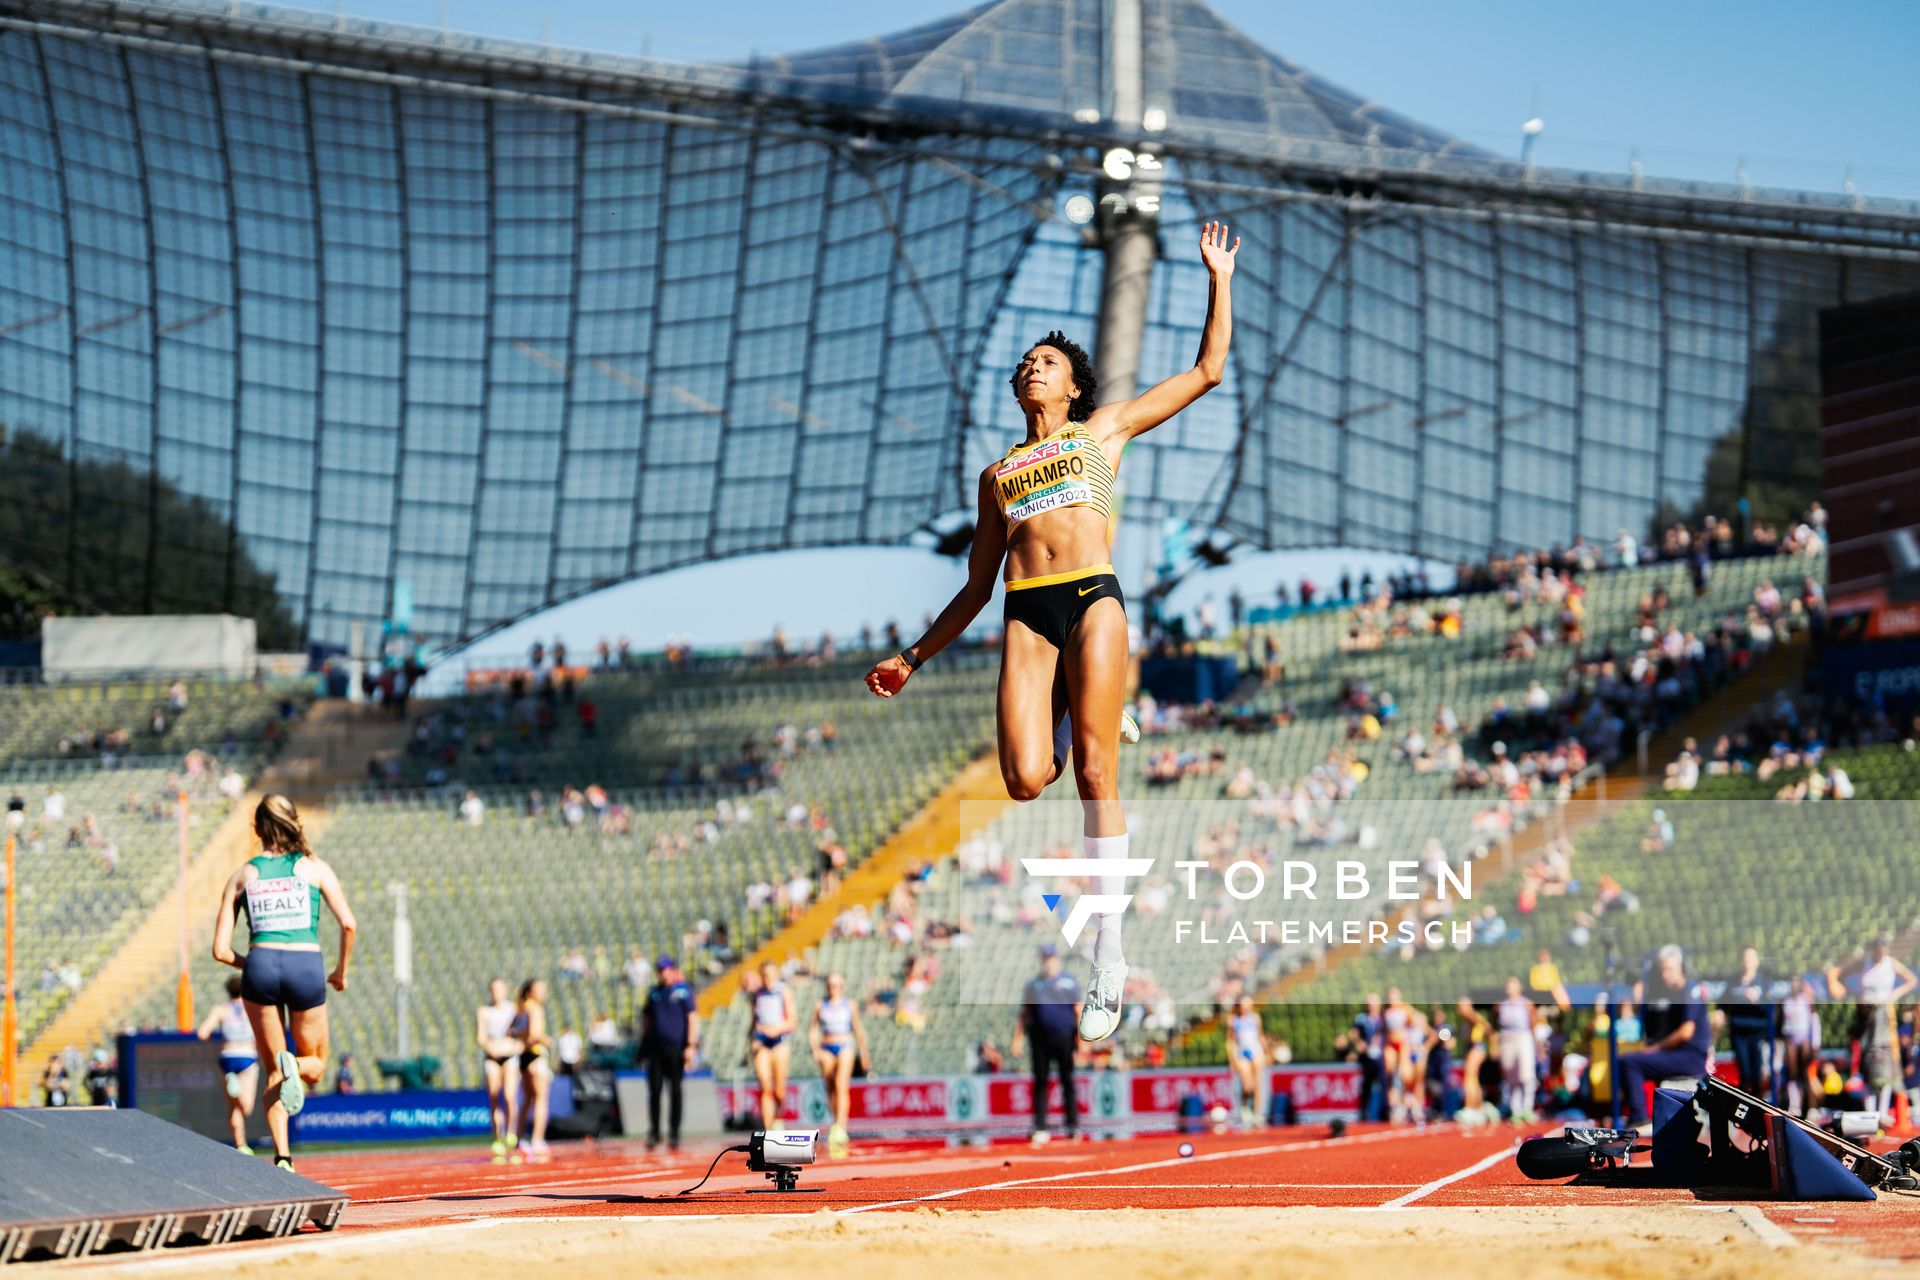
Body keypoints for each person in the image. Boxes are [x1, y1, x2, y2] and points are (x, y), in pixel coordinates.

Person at [867, 221, 1240, 1042]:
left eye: (1050, 362)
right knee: (1026, 778)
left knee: (1096, 776)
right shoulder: (997, 476)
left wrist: (1218, 276)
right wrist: (913, 658)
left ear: (1074, 389)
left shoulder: (1101, 430)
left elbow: (1209, 371)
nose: (1034, 366)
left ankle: (1108, 948)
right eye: (1028, 362)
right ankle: (1078, 707)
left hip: (1093, 597)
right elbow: (974, 586)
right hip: (1028, 612)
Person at [210, 794, 356, 1173]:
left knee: (273, 1069)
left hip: (259, 965)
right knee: (317, 1066)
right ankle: (297, 1062)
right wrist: (341, 970)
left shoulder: (242, 875)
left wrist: (254, 963)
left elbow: (221, 951)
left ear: (256, 829)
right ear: (295, 823)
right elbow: (348, 924)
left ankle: (283, 1158)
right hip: (305, 963)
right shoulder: (314, 868)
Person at [1618, 945, 1712, 1125]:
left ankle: (1639, 1118)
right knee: (1631, 1059)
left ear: (1680, 968)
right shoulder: (1670, 993)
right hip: (1679, 1053)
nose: (1664, 975)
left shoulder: (1690, 990)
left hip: (1690, 1056)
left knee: (1630, 1063)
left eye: (1668, 970)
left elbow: (1686, 1033)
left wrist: (1656, 1048)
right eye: (1662, 970)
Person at [1827, 936, 1918, 1117]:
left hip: (1883, 1016)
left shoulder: (1891, 964)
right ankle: (1869, 1110)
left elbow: (1911, 980)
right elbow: (1838, 973)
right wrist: (1849, 991)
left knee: (1883, 1059)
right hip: (1865, 1014)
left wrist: (1894, 994)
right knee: (1866, 1058)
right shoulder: (1864, 962)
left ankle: (1882, 1111)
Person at [1012, 944, 1082, 1145]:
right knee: (1041, 1082)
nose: (1048, 963)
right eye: (1045, 959)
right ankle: (1040, 1126)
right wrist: (1017, 1039)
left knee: (1067, 1081)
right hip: (1039, 1039)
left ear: (1057, 960)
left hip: (1064, 1038)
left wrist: (1082, 1041)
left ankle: (1072, 1125)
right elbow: (1024, 1013)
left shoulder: (1069, 982)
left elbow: (1078, 1011)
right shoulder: (1034, 985)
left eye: (1050, 958)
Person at [809, 971, 871, 1159]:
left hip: (845, 1045)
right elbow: (813, 1029)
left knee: (841, 1084)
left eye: (836, 985)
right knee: (831, 1087)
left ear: (842, 987)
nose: (832, 988)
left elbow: (858, 1029)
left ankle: (841, 1126)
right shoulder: (821, 1004)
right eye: (830, 985)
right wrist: (815, 1049)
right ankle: (835, 1121)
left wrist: (864, 1052)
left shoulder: (849, 1004)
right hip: (826, 1046)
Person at [640, 956, 698, 1153]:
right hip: (655, 1050)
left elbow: (692, 1018)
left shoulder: (682, 991)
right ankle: (655, 1132)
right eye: (660, 970)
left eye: (666, 969)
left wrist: (691, 1045)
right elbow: (647, 1021)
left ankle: (674, 1132)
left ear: (673, 970)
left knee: (675, 1091)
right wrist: (643, 1045)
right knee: (654, 1091)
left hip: (676, 1048)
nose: (663, 973)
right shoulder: (655, 993)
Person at [195, 977, 259, 1154]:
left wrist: (213, 1042)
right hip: (247, 1056)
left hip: (227, 1057)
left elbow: (202, 1032)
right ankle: (236, 1090)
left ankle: (240, 1145)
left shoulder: (220, 1010)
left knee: (233, 1107)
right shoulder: (252, 1007)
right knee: (245, 1107)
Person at [476, 978, 522, 1163]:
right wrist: (490, 1048)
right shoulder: (484, 1011)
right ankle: (497, 1136)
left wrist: (515, 1047)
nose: (496, 993)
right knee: (494, 1096)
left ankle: (512, 1133)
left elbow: (521, 1034)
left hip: (509, 1055)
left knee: (510, 1097)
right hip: (492, 1056)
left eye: (500, 989)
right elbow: (480, 1037)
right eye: (493, 989)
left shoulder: (513, 1009)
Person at [509, 979, 554, 1161]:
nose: (544, 992)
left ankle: (519, 1137)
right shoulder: (535, 1008)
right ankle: (537, 1139)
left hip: (523, 1057)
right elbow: (535, 1035)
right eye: (540, 989)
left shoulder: (520, 1008)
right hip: (536, 1055)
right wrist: (546, 1040)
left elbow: (511, 1031)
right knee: (541, 1099)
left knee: (527, 1099)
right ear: (530, 992)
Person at [749, 960, 795, 1132]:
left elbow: (792, 1021)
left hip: (779, 1042)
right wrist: (753, 1039)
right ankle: (768, 1129)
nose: (766, 979)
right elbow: (754, 1020)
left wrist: (776, 1029)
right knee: (765, 1085)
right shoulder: (757, 994)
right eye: (763, 976)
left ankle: (778, 1117)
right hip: (762, 1043)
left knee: (779, 1090)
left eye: (769, 975)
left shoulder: (783, 992)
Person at [1720, 946, 1771, 1096]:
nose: (1747, 962)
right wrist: (1720, 1012)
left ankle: (1758, 1106)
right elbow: (1723, 1003)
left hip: (1757, 1032)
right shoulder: (1733, 982)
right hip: (1739, 1031)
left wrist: (1757, 1001)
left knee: (1757, 1073)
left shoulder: (1763, 982)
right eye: (1745, 959)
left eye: (1751, 959)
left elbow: (1770, 1009)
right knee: (1745, 1071)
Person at [1497, 976, 1538, 1123]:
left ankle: (1528, 1108)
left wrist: (1538, 1046)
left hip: (1523, 1038)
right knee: (1511, 1077)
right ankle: (1516, 1110)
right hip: (1507, 1040)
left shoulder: (1527, 1004)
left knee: (1526, 1075)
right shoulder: (1501, 1005)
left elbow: (1533, 1025)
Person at [1227, 995, 1266, 1127]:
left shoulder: (1255, 1018)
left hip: (1255, 1052)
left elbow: (1260, 1036)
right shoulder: (1233, 1020)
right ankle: (1244, 1109)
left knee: (1256, 1085)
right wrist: (1232, 1060)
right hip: (1242, 1053)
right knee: (1247, 1085)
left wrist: (1265, 1053)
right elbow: (1230, 1041)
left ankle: (1257, 1114)